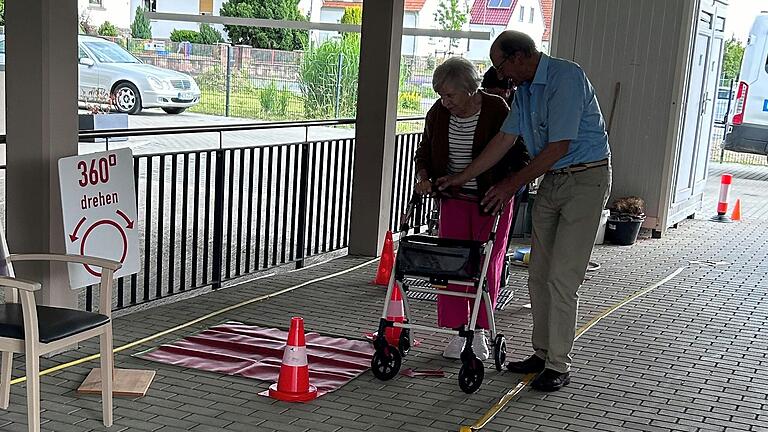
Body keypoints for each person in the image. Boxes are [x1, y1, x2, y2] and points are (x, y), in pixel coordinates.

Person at [438, 31, 612, 391]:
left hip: (585, 179)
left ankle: (559, 364)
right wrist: (461, 177)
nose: (501, 77)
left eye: (502, 67)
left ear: (519, 56)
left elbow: (558, 146)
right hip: (551, 181)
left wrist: (510, 184)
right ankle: (542, 352)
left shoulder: (566, 77)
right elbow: (504, 140)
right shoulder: (526, 90)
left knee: (562, 277)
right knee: (538, 275)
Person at [414, 57, 529, 360]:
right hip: (453, 198)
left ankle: (479, 332)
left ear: (469, 88)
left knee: (485, 265)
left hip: (489, 201)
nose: (445, 101)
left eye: (450, 94)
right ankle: (456, 330)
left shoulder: (496, 109)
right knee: (451, 264)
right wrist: (424, 178)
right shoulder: (438, 113)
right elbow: (424, 151)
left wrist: (505, 188)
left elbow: (518, 155)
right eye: (440, 94)